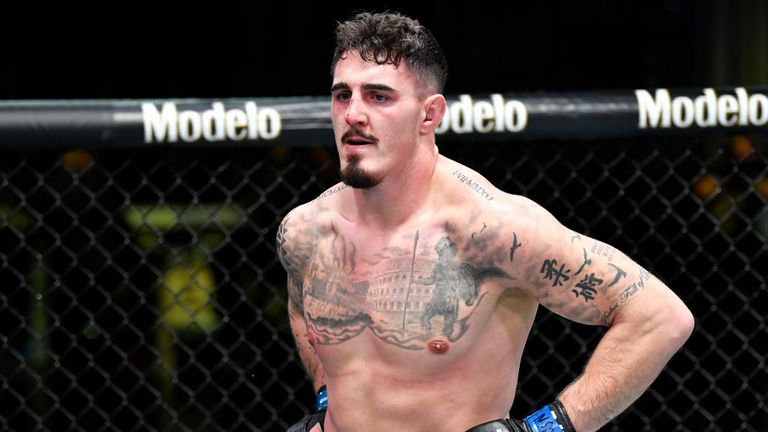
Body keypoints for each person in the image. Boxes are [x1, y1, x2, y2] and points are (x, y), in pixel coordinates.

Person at [277, 11, 694, 432]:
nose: (353, 114)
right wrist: (327, 399)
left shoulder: (491, 231)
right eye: (342, 95)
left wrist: (546, 428)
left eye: (378, 96)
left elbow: (658, 316)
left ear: (429, 115)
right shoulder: (305, 232)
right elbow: (308, 317)